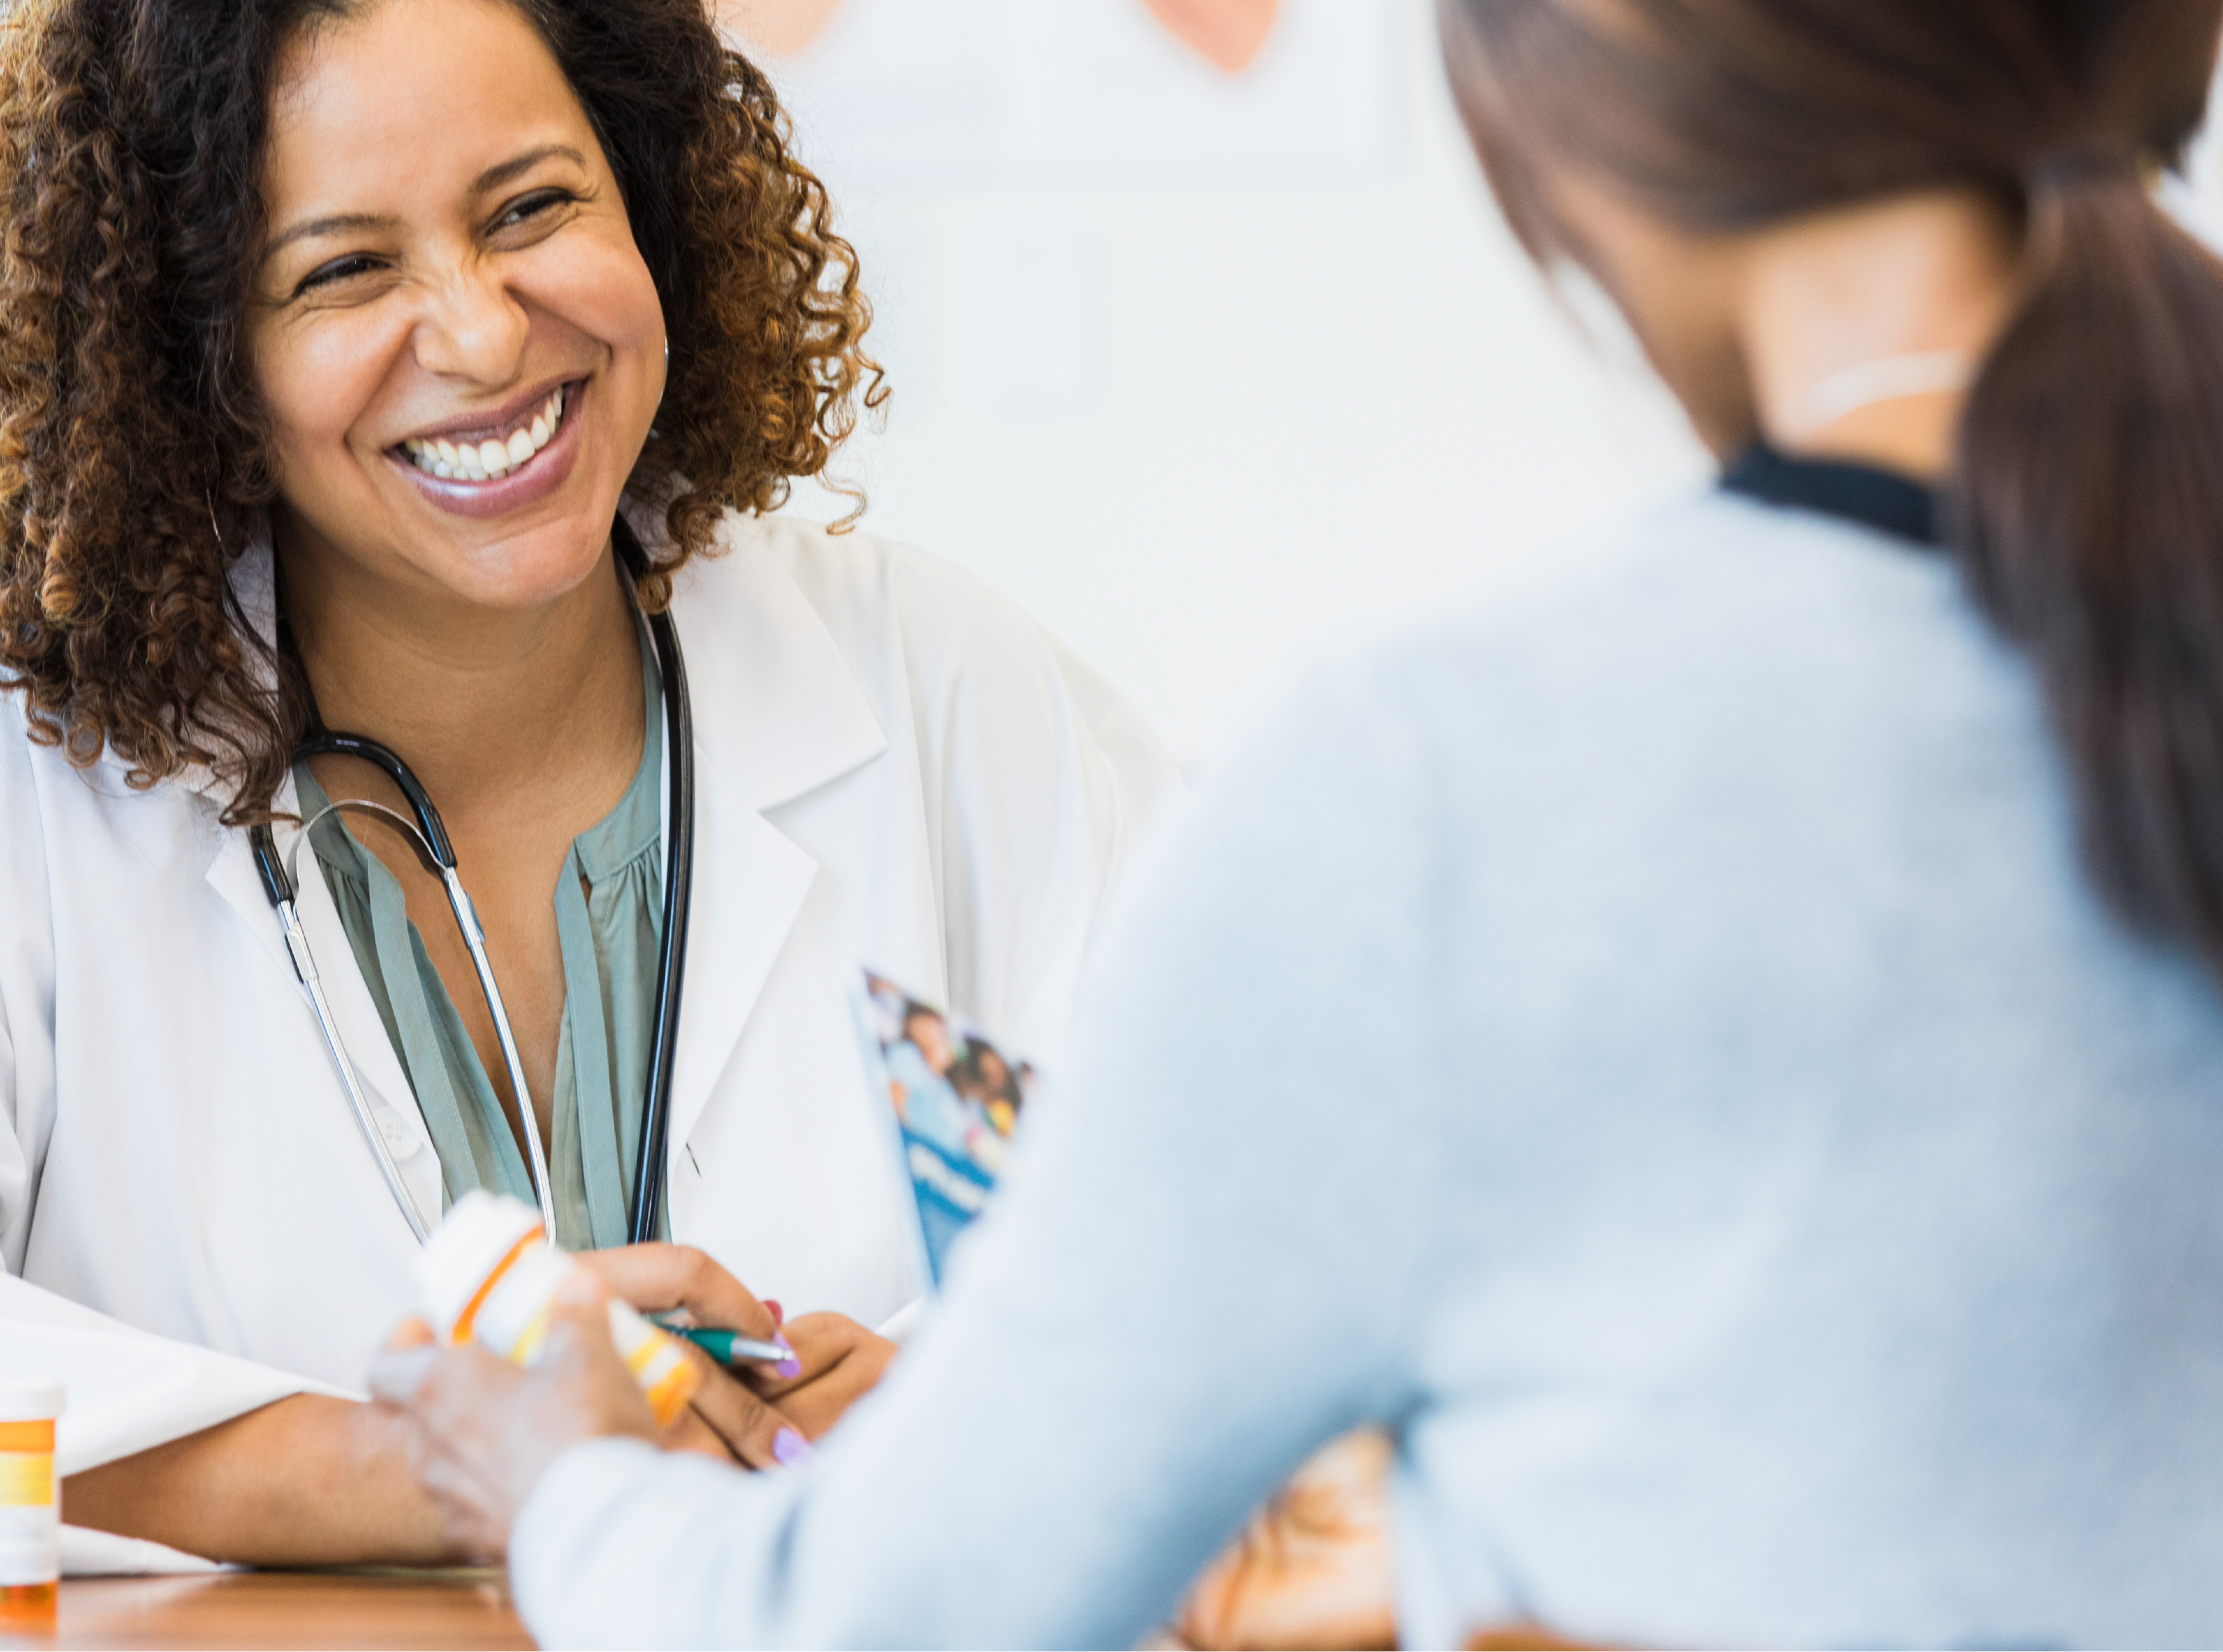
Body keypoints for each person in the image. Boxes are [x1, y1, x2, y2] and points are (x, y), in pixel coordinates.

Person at [370, 1, 2223, 1644]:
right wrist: (1467, 1549)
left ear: (1589, 117)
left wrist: (570, 1484)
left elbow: (869, 1621)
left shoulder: (1450, 776)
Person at [0, 0, 1175, 1573]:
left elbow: (1283, 1205)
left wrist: (991, 1406)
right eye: (343, 270)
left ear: (653, 199)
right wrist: (416, 1467)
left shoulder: (945, 692)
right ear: (196, 357)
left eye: (534, 207)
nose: (480, 332)